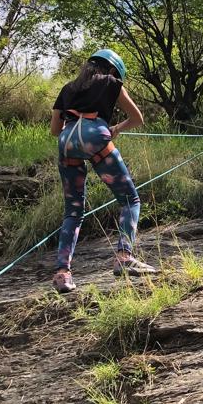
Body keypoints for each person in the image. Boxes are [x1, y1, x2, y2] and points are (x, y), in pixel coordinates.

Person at [49, 48, 156, 293]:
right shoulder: (111, 82)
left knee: (73, 211)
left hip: (66, 142)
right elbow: (137, 118)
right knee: (130, 199)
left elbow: (55, 129)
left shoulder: (68, 88)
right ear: (112, 70)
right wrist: (116, 127)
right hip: (96, 136)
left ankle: (62, 274)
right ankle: (124, 257)